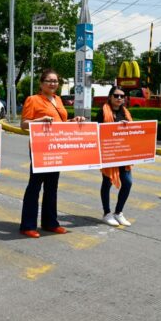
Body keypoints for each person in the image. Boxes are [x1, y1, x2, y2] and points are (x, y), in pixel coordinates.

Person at [19, 69, 86, 238]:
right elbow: (23, 124)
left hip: (56, 147)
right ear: (41, 83)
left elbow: (60, 123)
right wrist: (39, 121)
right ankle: (27, 225)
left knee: (52, 186)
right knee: (35, 186)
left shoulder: (58, 100)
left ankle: (50, 223)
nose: (53, 84)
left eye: (55, 81)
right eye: (49, 81)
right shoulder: (33, 100)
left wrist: (73, 121)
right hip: (40, 148)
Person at [96, 86, 134, 227]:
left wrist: (128, 127)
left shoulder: (126, 113)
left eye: (122, 96)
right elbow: (97, 131)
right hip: (109, 153)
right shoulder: (103, 112)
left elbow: (133, 131)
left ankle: (118, 212)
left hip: (124, 154)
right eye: (116, 95)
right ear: (110, 97)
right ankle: (107, 213)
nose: (119, 98)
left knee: (128, 183)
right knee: (107, 183)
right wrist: (115, 127)